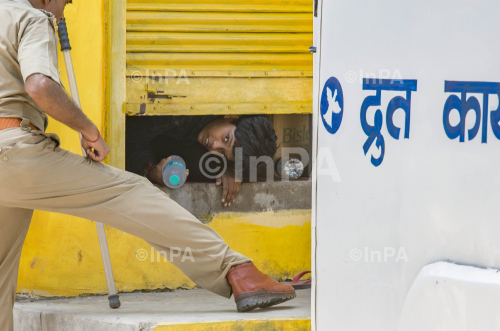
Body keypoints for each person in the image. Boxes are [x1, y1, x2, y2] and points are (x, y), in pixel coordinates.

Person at [0, 0, 295, 330]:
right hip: (15, 153)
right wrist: (88, 130)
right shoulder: (31, 17)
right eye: (65, 1)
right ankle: (236, 271)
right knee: (133, 192)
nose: (65, 10)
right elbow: (39, 85)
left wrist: (231, 169)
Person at [126, 114, 278, 207]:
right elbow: (129, 136)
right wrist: (151, 173)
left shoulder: (217, 154)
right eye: (226, 138)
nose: (214, 146)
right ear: (231, 116)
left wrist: (231, 170)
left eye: (223, 153)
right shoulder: (179, 117)